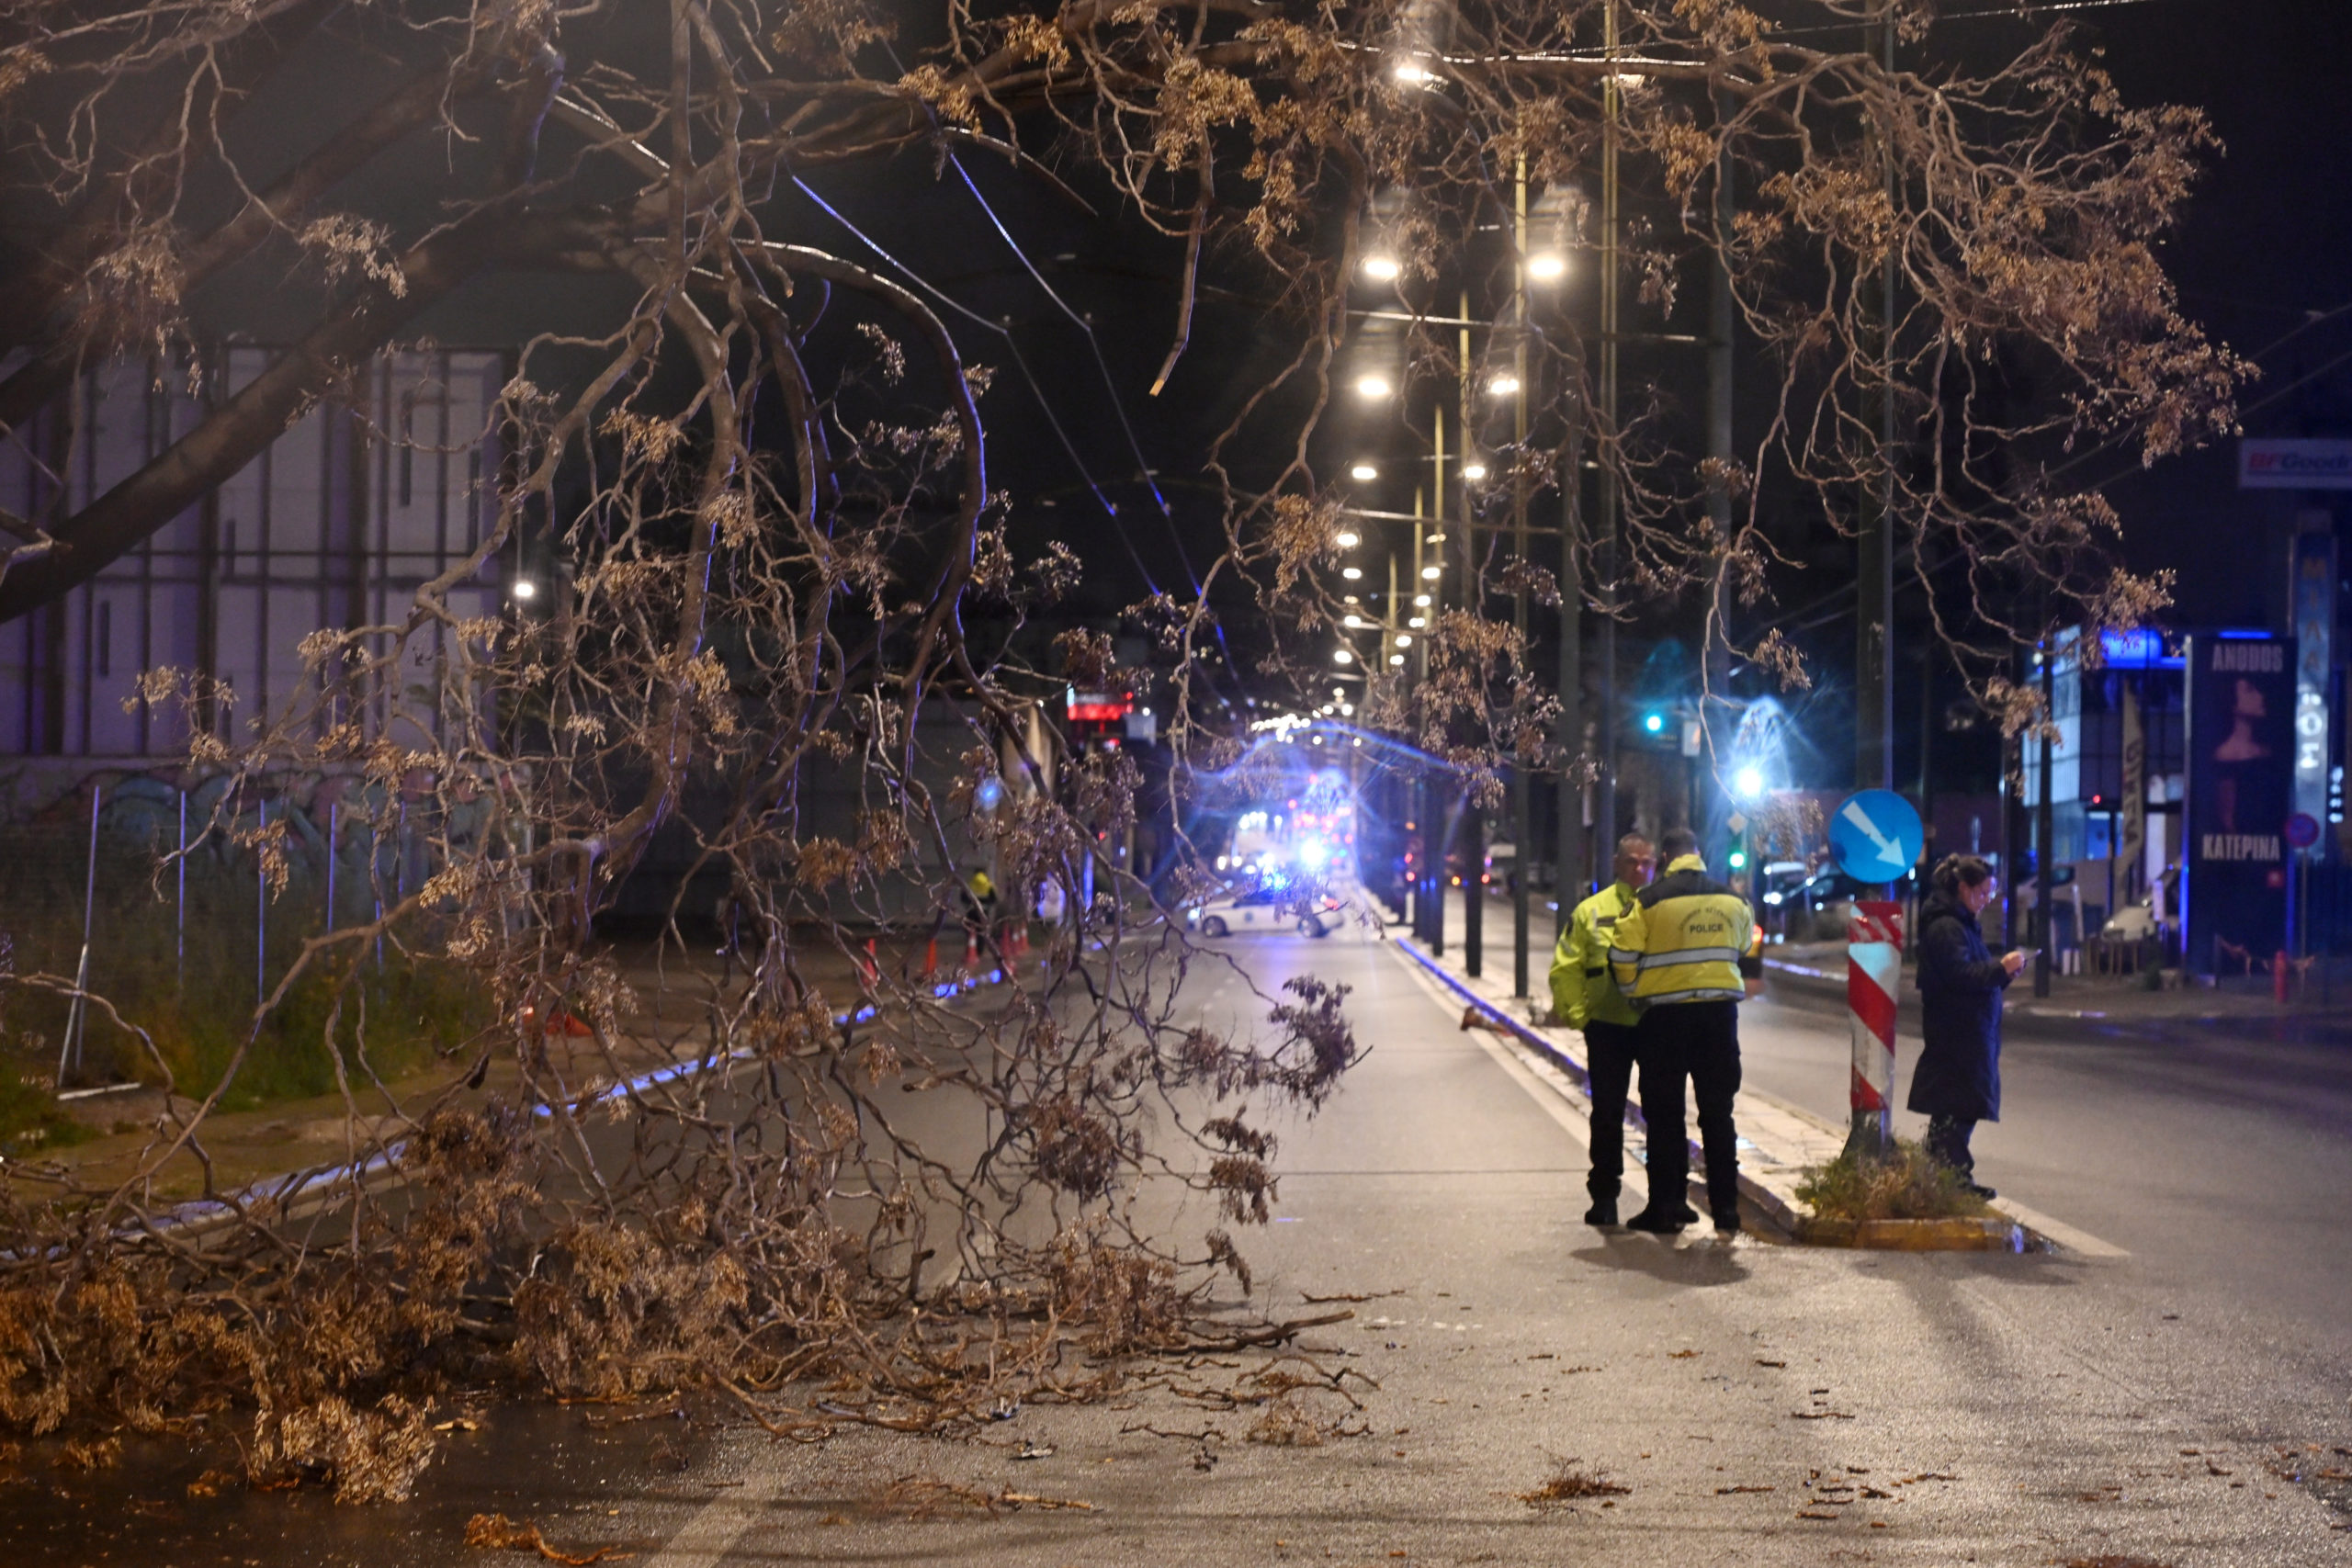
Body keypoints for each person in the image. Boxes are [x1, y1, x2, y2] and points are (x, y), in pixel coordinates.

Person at [1608, 826, 1764, 1236]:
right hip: (1719, 1018)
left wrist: (1635, 993)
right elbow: (1745, 944)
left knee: (1664, 1115)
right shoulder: (1733, 900)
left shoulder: (1648, 901)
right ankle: (1726, 1210)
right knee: (1718, 1114)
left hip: (1665, 1020)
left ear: (1663, 858)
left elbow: (1622, 955)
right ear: (1699, 856)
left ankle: (1665, 1207)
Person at [1548, 833, 1672, 1229]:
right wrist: (1579, 1016)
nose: (1639, 869)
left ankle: (1663, 1201)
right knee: (1607, 1115)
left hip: (1655, 1025)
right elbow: (1565, 966)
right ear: (1617, 863)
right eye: (1632, 862)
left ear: (1657, 865)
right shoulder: (1591, 911)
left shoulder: (1667, 910)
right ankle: (1604, 1197)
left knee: (1662, 1115)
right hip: (1607, 1027)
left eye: (1647, 863)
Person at [1908, 853, 2026, 1198]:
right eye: (1982, 893)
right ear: (1963, 888)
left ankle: (1944, 1179)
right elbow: (1959, 975)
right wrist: (1998, 969)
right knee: (1956, 1109)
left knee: (1956, 1110)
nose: (1986, 900)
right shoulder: (1947, 926)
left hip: (1966, 1033)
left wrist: (2002, 975)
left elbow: (1972, 977)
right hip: (1956, 1035)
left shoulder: (1959, 922)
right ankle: (1953, 1183)